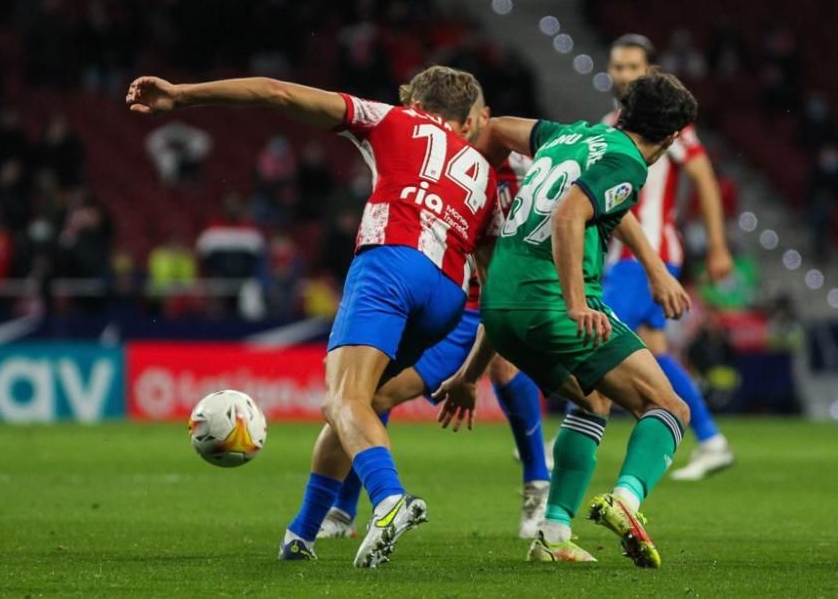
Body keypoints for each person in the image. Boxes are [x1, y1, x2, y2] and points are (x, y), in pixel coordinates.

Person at [126, 65, 500, 568]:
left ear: (417, 102)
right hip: (450, 298)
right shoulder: (488, 177)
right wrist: (474, 373)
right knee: (357, 403)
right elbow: (497, 291)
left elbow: (275, 91)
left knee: (343, 398)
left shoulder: (391, 118)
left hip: (392, 262)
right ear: (467, 120)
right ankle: (301, 533)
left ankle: (389, 500)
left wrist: (183, 95)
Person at [438, 72, 696, 567]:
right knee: (668, 409)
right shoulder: (625, 162)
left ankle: (553, 534)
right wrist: (576, 302)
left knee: (594, 398)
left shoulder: (570, 135)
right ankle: (625, 500)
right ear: (671, 137)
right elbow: (570, 214)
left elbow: (492, 132)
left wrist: (469, 377)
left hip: (499, 306)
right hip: (554, 304)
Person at [316, 150, 553, 541]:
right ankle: (343, 511)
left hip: (504, 297)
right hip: (453, 304)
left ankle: (537, 489)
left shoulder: (526, 166)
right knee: (373, 395)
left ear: (483, 117)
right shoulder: (438, 163)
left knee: (504, 364)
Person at [600, 33, 736, 480]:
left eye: (632, 67)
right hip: (625, 255)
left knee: (597, 339)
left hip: (646, 257)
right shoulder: (609, 123)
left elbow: (705, 178)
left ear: (651, 72)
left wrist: (716, 245)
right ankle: (712, 439)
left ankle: (574, 435)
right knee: (654, 352)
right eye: (617, 66)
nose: (623, 74)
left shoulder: (668, 124)